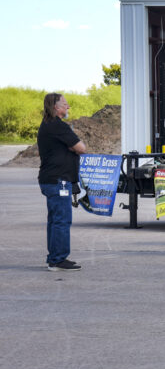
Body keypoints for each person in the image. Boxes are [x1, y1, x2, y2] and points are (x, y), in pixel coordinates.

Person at [37, 93, 86, 271]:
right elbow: (81, 148)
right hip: (59, 181)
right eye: (65, 104)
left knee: (55, 221)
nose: (68, 107)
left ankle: (54, 257)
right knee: (62, 220)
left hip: (51, 180)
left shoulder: (48, 125)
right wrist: (72, 146)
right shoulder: (58, 126)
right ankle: (58, 259)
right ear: (56, 107)